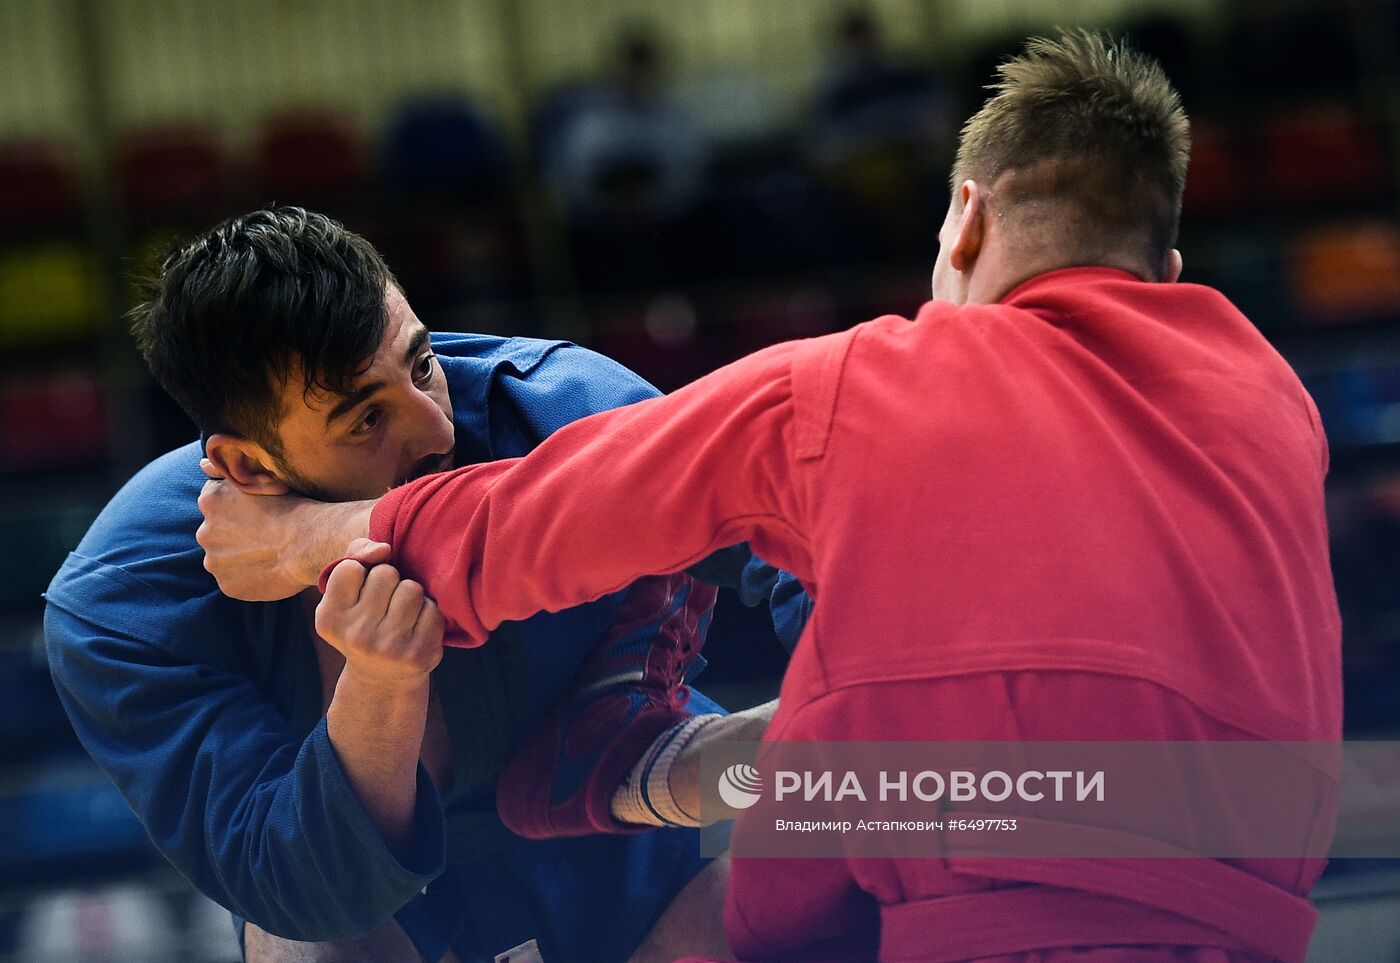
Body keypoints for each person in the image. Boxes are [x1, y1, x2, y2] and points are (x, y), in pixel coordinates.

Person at [198, 32, 1342, 962]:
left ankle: (636, 772)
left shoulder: (863, 385)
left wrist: (311, 535)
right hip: (1258, 907)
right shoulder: (1274, 404)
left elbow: (557, 512)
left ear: (964, 222)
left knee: (780, 840)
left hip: (995, 905)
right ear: (1168, 279)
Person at [44, 207, 800, 963]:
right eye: (367, 418)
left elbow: (812, 545)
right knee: (297, 945)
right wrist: (379, 685)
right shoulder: (122, 603)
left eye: (422, 362)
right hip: (378, 906)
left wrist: (344, 530)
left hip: (650, 822)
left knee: (883, 794)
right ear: (247, 468)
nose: (436, 429)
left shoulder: (563, 407)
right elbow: (297, 887)